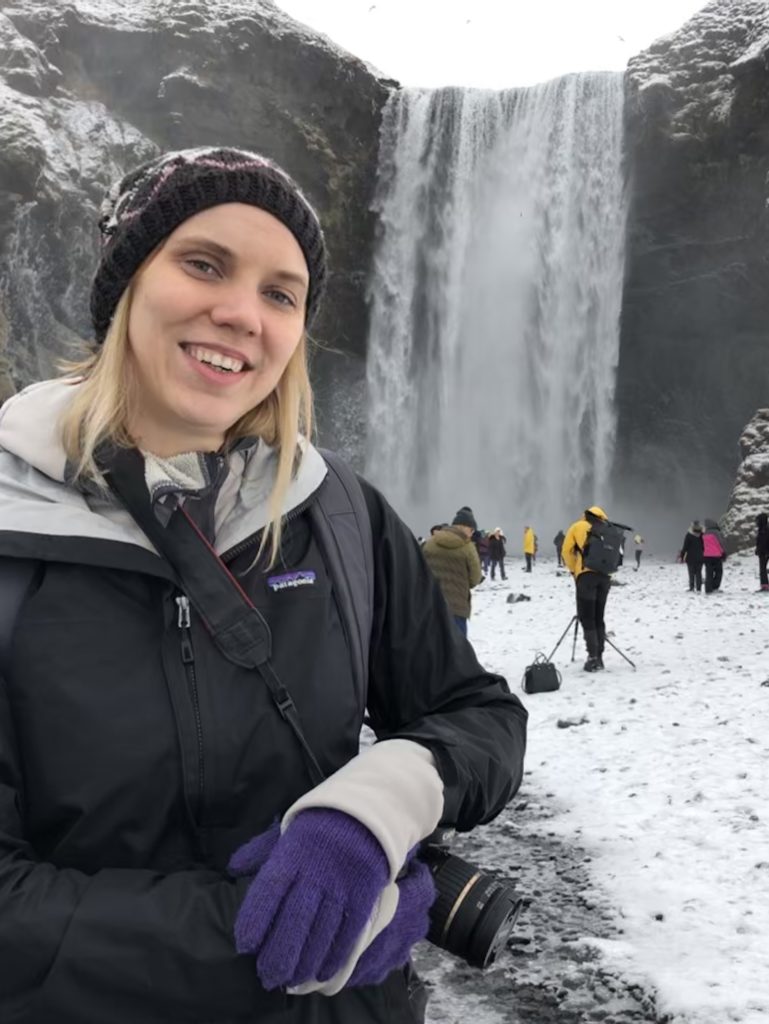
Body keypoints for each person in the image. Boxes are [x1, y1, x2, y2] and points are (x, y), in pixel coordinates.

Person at [0, 147, 528, 1024]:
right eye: (204, 264)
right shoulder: (14, 528)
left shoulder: (343, 514)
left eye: (281, 294)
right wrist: (277, 939)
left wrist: (374, 807)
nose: (243, 314)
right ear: (126, 283)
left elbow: (477, 712)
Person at [561, 506, 612, 672]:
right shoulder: (609, 529)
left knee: (587, 617)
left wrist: (574, 571)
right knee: (599, 617)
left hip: (586, 577)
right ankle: (600, 656)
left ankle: (592, 657)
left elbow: (566, 551)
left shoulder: (577, 526)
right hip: (605, 577)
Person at [422, 507, 483, 636]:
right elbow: (475, 578)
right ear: (464, 527)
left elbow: (420, 571)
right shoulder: (468, 548)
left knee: (432, 645)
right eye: (472, 530)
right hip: (457, 608)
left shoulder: (430, 543)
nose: (472, 534)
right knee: (457, 647)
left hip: (430, 605)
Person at [702, 517, 726, 593]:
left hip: (706, 556)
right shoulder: (716, 532)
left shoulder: (705, 533)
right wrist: (723, 552)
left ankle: (708, 589)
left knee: (709, 573)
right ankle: (715, 587)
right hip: (716, 555)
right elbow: (719, 543)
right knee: (719, 572)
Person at [679, 521, 705, 592]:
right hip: (700, 557)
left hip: (690, 557)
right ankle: (699, 588)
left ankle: (692, 587)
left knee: (691, 573)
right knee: (699, 573)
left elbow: (685, 547)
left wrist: (682, 556)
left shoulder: (689, 535)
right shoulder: (702, 535)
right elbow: (704, 546)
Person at [755, 512, 769, 591]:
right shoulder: (762, 529)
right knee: (762, 569)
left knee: (763, 570)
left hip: (764, 553)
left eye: (757, 520)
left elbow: (763, 542)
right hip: (762, 552)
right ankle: (764, 585)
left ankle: (765, 586)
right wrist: (757, 550)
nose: (756, 522)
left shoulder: (764, 530)